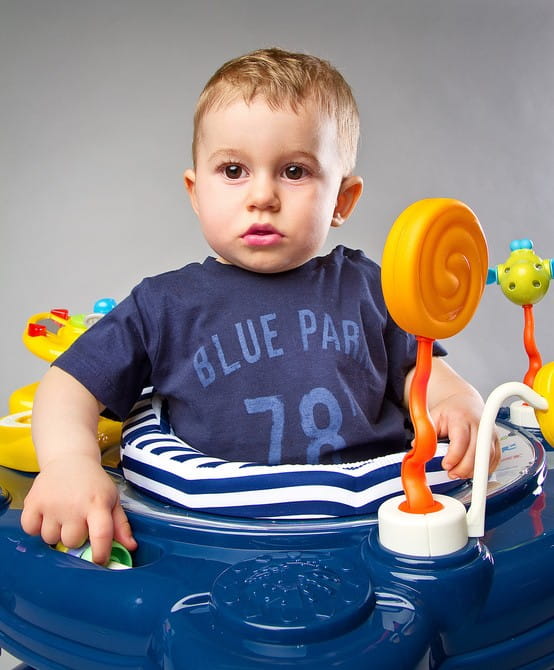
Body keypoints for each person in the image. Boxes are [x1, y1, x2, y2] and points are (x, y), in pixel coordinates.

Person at [21, 47, 500, 565]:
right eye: (233, 170)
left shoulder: (367, 286)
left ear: (342, 200)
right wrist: (69, 463)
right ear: (196, 191)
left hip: (373, 529)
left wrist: (460, 402)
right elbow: (67, 385)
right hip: (213, 540)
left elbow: (419, 371)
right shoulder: (165, 304)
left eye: (294, 171)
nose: (262, 196)